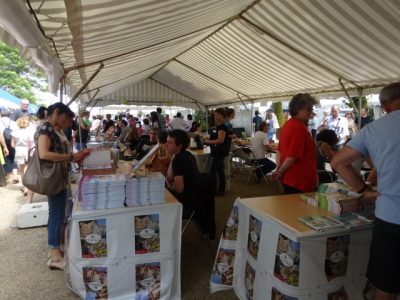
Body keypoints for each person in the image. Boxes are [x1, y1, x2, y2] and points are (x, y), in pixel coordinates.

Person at [331, 82, 400, 300]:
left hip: (392, 217)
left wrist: (363, 189)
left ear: (385, 106)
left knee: (385, 286)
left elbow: (338, 162)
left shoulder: (374, 129)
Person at [37, 102, 90, 270]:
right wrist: (70, 157)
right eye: (66, 118)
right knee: (56, 215)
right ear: (57, 112)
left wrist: (74, 157)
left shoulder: (55, 130)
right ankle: (54, 255)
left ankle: (57, 248)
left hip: (60, 176)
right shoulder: (46, 128)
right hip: (54, 178)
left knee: (60, 214)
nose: (67, 122)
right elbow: (43, 153)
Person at [273, 93, 318, 194]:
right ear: (298, 108)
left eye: (311, 109)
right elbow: (292, 157)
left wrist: (278, 169)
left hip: (291, 179)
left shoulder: (288, 124)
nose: (311, 113)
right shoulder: (299, 128)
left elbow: (279, 151)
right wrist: (279, 173)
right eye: (309, 109)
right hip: (299, 180)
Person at [166, 129, 200, 211]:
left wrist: (170, 186)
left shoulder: (179, 160)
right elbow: (170, 176)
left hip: (186, 203)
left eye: (170, 143)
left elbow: (179, 189)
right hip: (196, 198)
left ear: (180, 145)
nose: (166, 145)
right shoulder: (188, 154)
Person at [204, 108, 230, 196]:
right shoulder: (219, 126)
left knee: (212, 171)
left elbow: (220, 140)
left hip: (219, 152)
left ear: (222, 116)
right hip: (218, 151)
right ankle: (221, 190)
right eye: (215, 114)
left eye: (217, 114)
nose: (215, 116)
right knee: (220, 171)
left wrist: (208, 142)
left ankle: (214, 191)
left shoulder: (222, 126)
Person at [11, 116, 35, 199]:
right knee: (27, 169)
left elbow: (12, 145)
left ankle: (24, 187)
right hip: (27, 151)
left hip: (18, 151)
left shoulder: (14, 133)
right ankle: (27, 188)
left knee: (21, 171)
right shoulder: (29, 132)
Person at [1, 107, 19, 184]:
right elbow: (17, 134)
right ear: (9, 114)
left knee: (6, 160)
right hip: (12, 143)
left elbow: (0, 136)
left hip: (3, 144)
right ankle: (15, 176)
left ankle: (10, 178)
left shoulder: (0, 122)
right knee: (12, 159)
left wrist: (4, 146)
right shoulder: (13, 123)